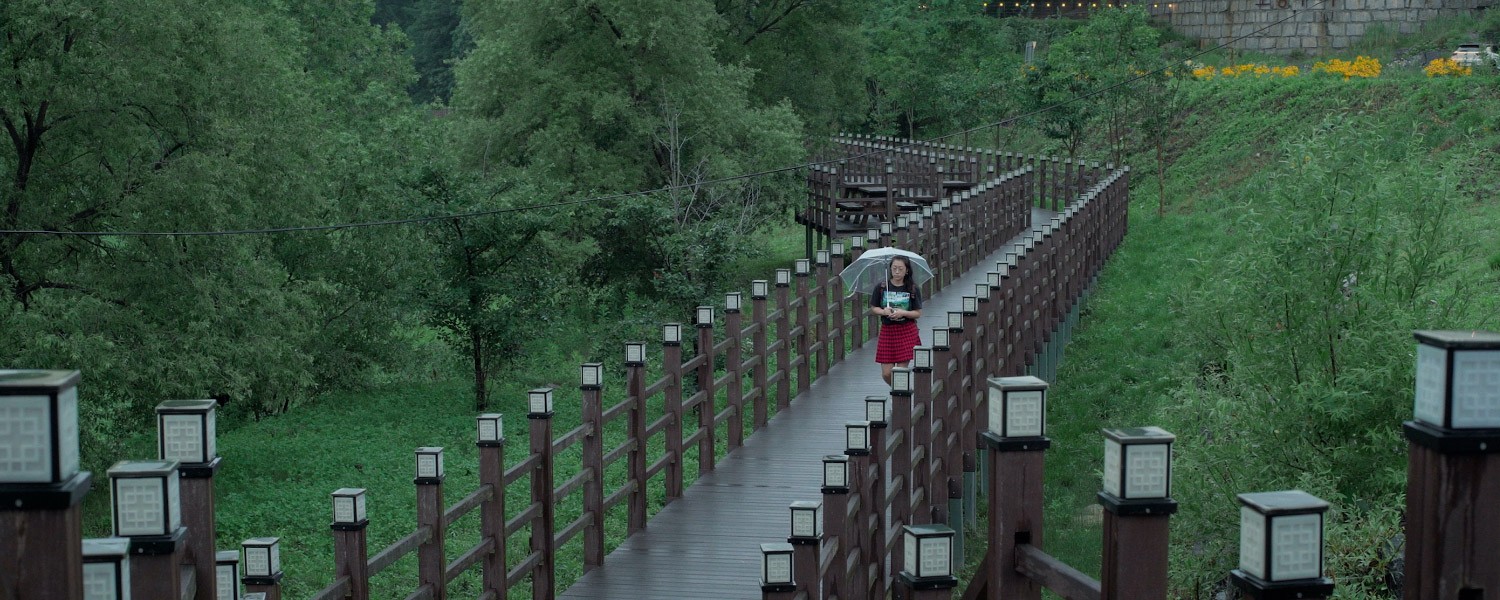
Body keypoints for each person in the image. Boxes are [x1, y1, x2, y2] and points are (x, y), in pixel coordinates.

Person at [869, 256, 923, 385]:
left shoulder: (912, 289)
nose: (897, 272)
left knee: (900, 371)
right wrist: (883, 311)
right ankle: (899, 391)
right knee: (887, 373)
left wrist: (902, 313)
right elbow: (873, 307)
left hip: (906, 330)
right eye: (894, 268)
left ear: (907, 271)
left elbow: (918, 313)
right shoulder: (882, 287)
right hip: (888, 330)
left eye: (900, 269)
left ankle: (900, 398)